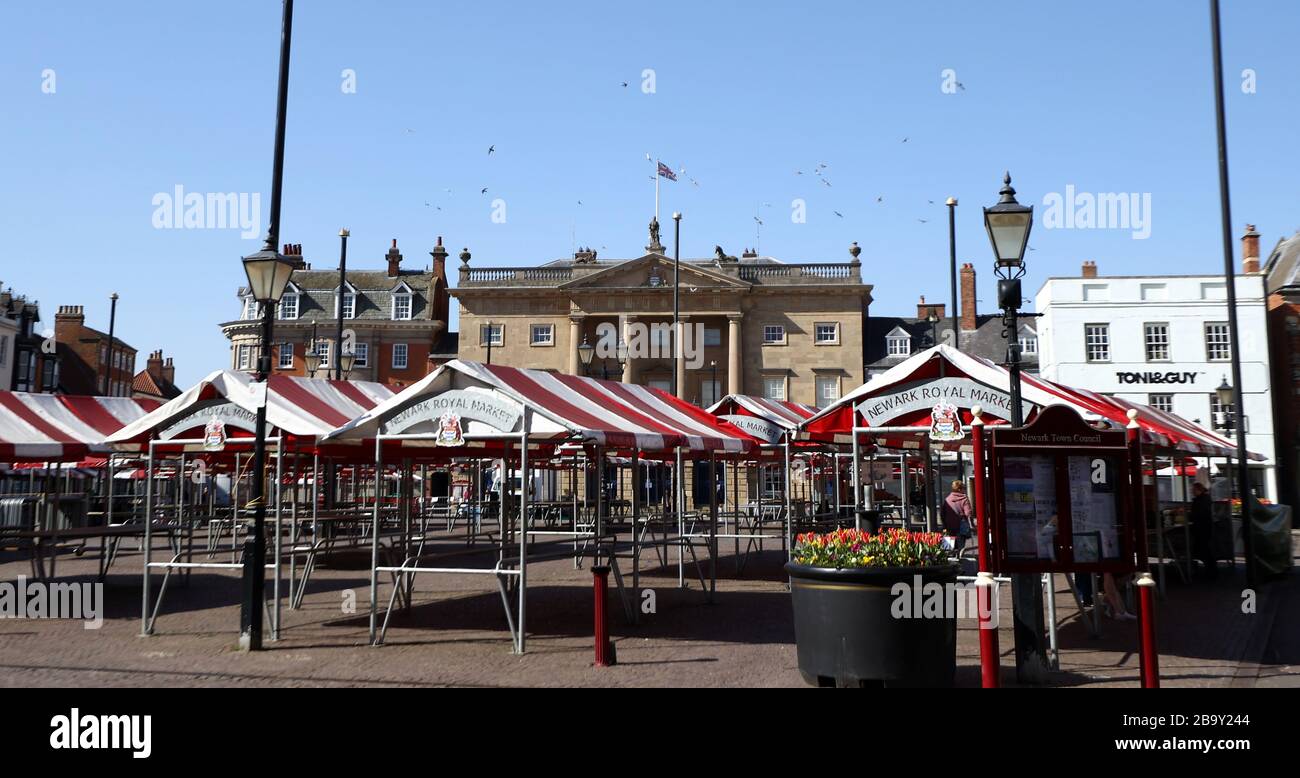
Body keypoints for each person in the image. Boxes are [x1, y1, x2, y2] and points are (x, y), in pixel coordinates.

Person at [1189, 482, 1217, 580]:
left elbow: (1198, 514)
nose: (1192, 491)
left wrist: (1190, 516)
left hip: (1202, 528)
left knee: (1205, 549)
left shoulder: (1201, 501)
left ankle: (1210, 572)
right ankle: (1211, 571)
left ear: (1198, 490)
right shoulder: (1205, 499)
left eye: (1193, 489)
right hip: (1205, 528)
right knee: (1206, 550)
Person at [940, 480, 974, 554]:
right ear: (959, 489)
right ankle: (959, 558)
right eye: (963, 488)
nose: (964, 490)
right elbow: (968, 513)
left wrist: (944, 524)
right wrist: (972, 524)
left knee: (948, 547)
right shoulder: (964, 498)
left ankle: (948, 558)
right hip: (961, 526)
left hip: (949, 526)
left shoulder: (947, 499)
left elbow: (942, 513)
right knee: (960, 547)